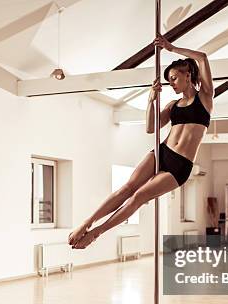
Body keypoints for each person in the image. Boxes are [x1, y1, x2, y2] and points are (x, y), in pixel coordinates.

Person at [69, 35, 214, 249]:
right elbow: (150, 127)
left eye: (174, 77)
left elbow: (202, 57)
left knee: (138, 196)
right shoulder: (173, 105)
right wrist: (151, 99)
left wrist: (171, 48)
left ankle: (96, 233)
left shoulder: (205, 98)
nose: (171, 83)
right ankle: (87, 222)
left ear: (188, 74)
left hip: (180, 166)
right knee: (127, 187)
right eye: (169, 80)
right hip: (162, 151)